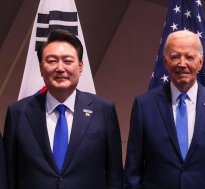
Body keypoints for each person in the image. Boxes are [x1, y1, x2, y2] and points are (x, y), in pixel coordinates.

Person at [3, 29, 123, 189]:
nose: (60, 68)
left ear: (80, 66)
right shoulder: (17, 113)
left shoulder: (104, 111)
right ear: (40, 67)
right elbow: (9, 175)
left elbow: (114, 174)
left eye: (68, 61)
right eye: (52, 61)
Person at [124, 30, 205, 189]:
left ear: (200, 62)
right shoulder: (144, 105)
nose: (182, 63)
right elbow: (132, 169)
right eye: (175, 56)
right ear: (165, 61)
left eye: (189, 57)